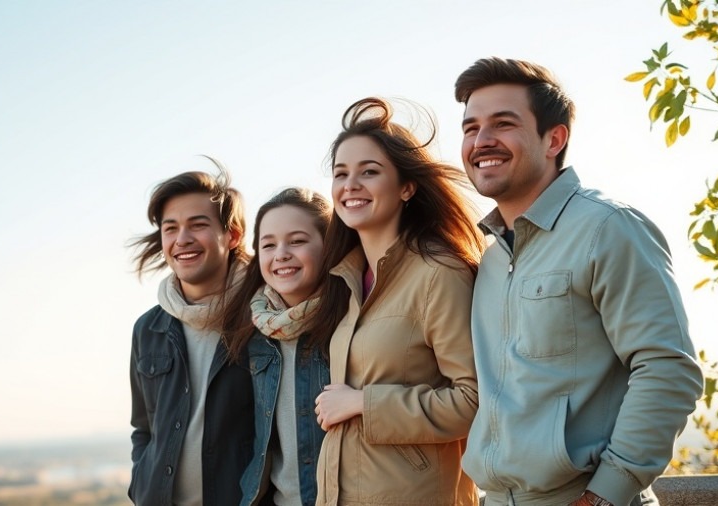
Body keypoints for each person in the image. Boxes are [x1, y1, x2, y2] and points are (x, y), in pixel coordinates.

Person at [454, 57, 705, 506]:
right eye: (470, 128)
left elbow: (668, 367)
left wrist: (606, 494)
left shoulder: (608, 227)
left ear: (555, 138)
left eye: (502, 124)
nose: (481, 140)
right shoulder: (489, 259)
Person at [309, 97, 485, 506]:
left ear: (407, 186)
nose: (350, 185)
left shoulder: (439, 273)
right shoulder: (347, 282)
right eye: (341, 173)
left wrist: (362, 403)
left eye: (369, 172)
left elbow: (474, 401)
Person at [128, 166, 255, 506]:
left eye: (198, 225)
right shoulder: (148, 329)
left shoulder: (263, 317)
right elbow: (144, 429)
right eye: (171, 228)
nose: (181, 239)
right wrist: (141, 484)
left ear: (233, 235)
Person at [218, 187, 332, 506]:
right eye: (269, 245)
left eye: (296, 241)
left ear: (329, 245)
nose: (281, 254)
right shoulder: (254, 332)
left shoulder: (351, 321)